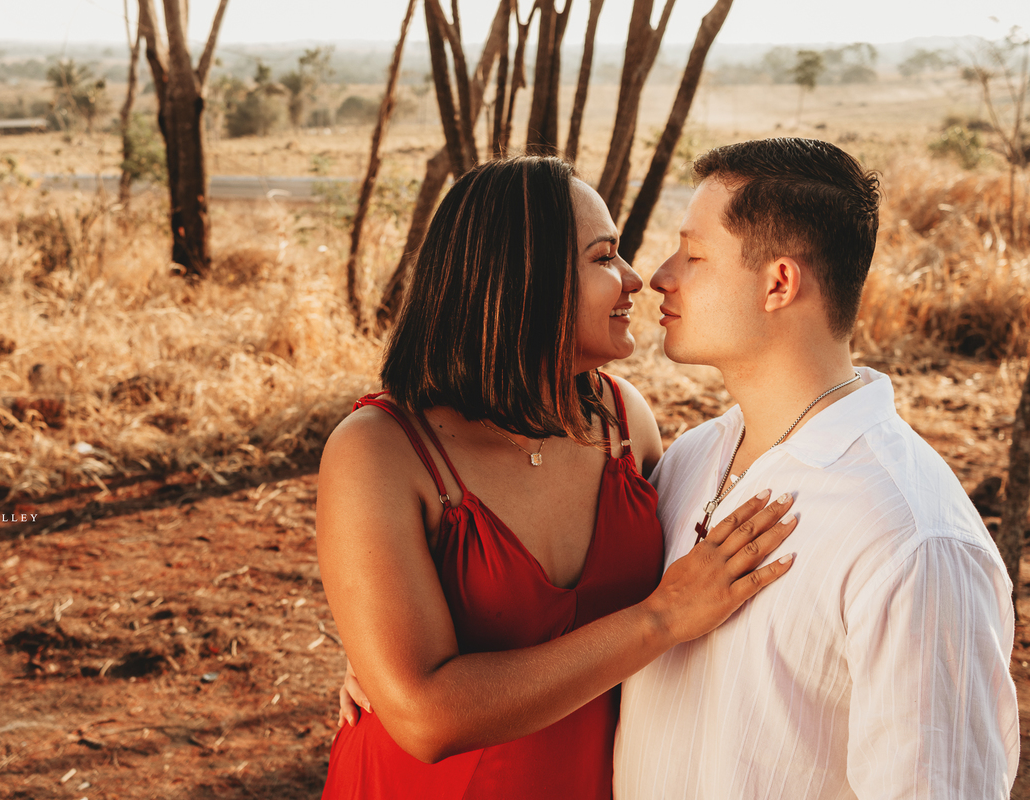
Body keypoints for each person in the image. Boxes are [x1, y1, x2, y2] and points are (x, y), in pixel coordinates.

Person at [316, 156, 799, 799]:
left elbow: (700, 595)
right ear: (521, 282)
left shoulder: (623, 421)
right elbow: (424, 719)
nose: (635, 280)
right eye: (604, 258)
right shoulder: (381, 451)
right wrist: (659, 618)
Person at [612, 137, 1019, 798]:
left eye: (693, 254)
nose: (660, 275)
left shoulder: (912, 538)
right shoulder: (688, 460)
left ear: (778, 282)